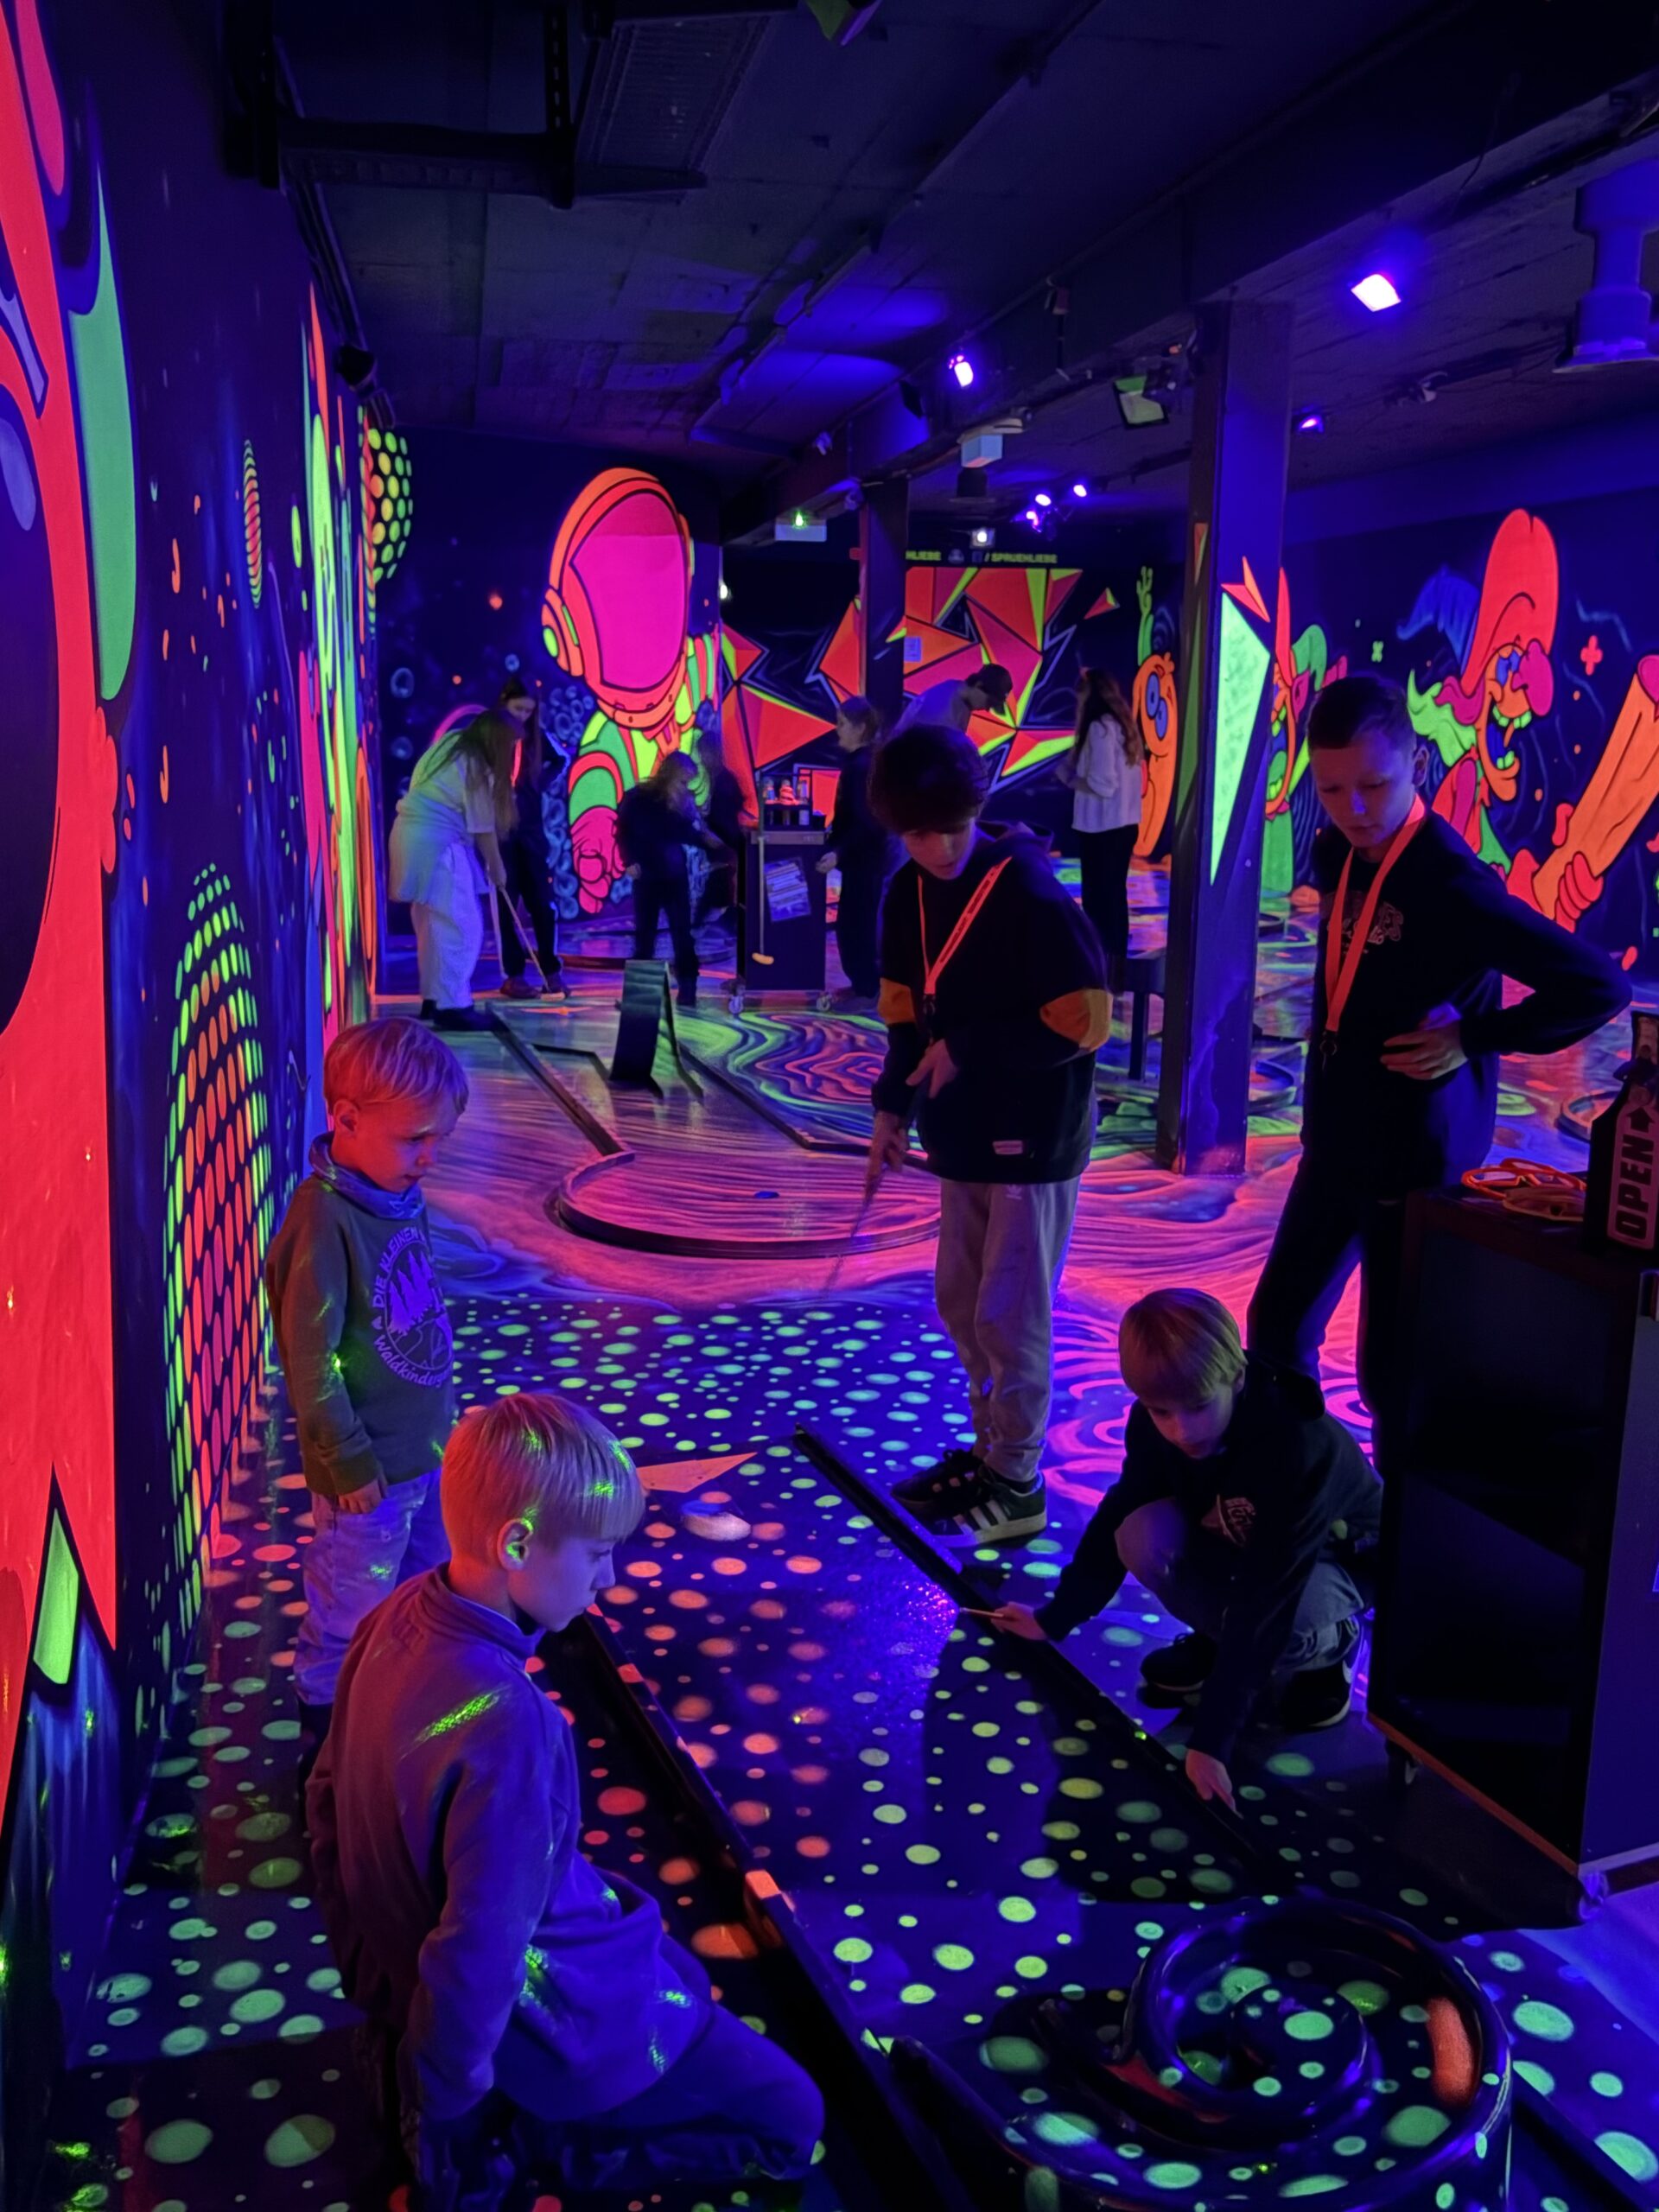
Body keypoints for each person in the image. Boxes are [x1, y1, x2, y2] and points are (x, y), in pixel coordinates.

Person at [308, 1392, 824, 2202]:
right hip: (550, 2014)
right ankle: (547, 2142)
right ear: (516, 1543)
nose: (607, 1580)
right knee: (795, 2117)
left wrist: (375, 1984)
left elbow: (324, 1803)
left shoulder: (395, 1615)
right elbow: (480, 1947)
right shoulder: (509, 1723)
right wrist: (448, 2101)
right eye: (596, 1555)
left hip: (427, 1993)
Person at [1247, 674, 1630, 1461]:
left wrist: (1475, 1035)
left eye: (1373, 785)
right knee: (1276, 1325)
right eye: (1332, 788)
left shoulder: (1452, 882)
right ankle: (1304, 1487)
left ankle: (1399, 1517)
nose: (1352, 808)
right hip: (1336, 1137)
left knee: (1393, 1370)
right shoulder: (1335, 850)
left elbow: (1598, 985)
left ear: (1418, 763)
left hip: (1415, 1155)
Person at [990, 1288, 1381, 1813]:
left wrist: (1212, 1742)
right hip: (1244, 1543)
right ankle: (1219, 1642)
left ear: (1236, 1378)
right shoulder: (1154, 1426)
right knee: (1140, 1536)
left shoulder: (1296, 1446)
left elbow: (1269, 1591)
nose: (1181, 1430)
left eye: (1198, 1406)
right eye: (1160, 1411)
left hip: (1336, 1560)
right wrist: (1055, 1618)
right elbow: (1119, 1511)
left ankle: (1333, 1644)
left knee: (1286, 1622)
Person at [868, 723, 1110, 1544]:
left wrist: (969, 1047)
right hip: (963, 1133)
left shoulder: (1028, 890)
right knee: (964, 1303)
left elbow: (1084, 1022)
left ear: (975, 810)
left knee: (1011, 1311)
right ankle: (991, 1451)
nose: (937, 849)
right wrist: (891, 1110)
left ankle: (1017, 1480)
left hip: (1032, 1137)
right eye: (917, 834)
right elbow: (907, 1019)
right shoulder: (906, 893)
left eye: (950, 829)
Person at [264, 1018, 468, 1759]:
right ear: (346, 1120)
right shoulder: (322, 1217)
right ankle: (328, 1760)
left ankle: (394, 1724)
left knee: (423, 1595)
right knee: (348, 1617)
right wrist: (345, 1458)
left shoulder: (396, 1194)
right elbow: (310, 1359)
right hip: (367, 1478)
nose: (430, 1157)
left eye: (438, 1139)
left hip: (425, 1455)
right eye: (415, 1139)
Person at [389, 709, 518, 1032]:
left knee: (433, 926)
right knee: (461, 926)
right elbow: (482, 825)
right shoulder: (475, 764)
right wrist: (497, 868)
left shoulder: (450, 744)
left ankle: (435, 998)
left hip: (410, 836)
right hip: (440, 844)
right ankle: (454, 1006)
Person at [617, 751, 724, 1010]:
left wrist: (709, 842)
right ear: (670, 775)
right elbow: (623, 831)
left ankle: (688, 990)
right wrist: (629, 860)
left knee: (681, 934)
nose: (685, 787)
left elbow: (684, 833)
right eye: (683, 781)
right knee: (645, 936)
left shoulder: (679, 805)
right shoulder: (638, 799)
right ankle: (640, 997)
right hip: (647, 876)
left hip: (674, 876)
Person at [817, 694, 899, 1007]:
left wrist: (839, 852)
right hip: (861, 860)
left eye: (841, 723)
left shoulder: (862, 766)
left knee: (857, 927)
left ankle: (867, 990)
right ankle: (862, 986)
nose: (837, 729)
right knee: (852, 925)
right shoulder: (860, 763)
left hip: (865, 860)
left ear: (860, 728)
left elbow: (868, 822)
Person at [1058, 666, 1144, 963]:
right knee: (1114, 898)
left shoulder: (1099, 728)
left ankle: (1099, 964)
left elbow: (1103, 785)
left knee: (1097, 901)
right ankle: (1115, 965)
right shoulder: (1122, 725)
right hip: (1123, 825)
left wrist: (1070, 779)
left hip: (1102, 828)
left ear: (1089, 695)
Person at [496, 676, 568, 1001]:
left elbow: (561, 758)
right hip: (501, 833)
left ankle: (551, 971)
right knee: (506, 904)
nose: (523, 716)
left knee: (543, 903)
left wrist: (538, 783)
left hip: (532, 832)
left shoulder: (535, 735)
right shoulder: (492, 738)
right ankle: (513, 975)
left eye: (528, 710)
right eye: (517, 709)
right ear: (504, 704)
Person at [691, 723, 749, 942]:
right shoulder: (723, 778)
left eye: (703, 753)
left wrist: (707, 823)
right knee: (721, 887)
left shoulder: (723, 781)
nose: (702, 759)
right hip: (727, 844)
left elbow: (724, 817)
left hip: (725, 844)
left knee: (718, 887)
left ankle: (699, 928)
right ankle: (717, 925)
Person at [892, 661, 1013, 738]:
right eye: (989, 702)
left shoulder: (962, 701)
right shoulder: (942, 703)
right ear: (978, 685)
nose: (987, 709)